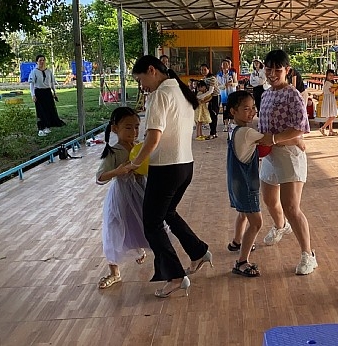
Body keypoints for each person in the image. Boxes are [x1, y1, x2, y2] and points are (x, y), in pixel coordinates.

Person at [129, 55, 210, 298]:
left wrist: (135, 163)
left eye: (140, 80)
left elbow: (153, 137)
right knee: (168, 213)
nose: (142, 86)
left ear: (151, 70)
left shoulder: (160, 95)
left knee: (152, 223)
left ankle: (175, 276)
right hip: (185, 166)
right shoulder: (180, 91)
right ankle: (198, 251)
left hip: (166, 167)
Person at [257, 49, 317, 275]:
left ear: (287, 70)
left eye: (277, 69)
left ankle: (308, 255)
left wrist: (274, 139)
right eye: (268, 69)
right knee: (269, 200)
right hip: (270, 155)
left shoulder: (293, 95)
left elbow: (300, 127)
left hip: (289, 155)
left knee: (291, 207)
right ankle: (280, 226)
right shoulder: (265, 94)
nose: (272, 74)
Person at [95, 107, 150, 289]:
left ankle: (143, 251)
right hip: (121, 195)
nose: (133, 132)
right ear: (115, 129)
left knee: (142, 222)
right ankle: (114, 272)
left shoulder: (140, 147)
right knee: (114, 227)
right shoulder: (114, 152)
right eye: (128, 127)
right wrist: (118, 171)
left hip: (141, 191)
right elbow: (100, 177)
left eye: (136, 127)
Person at [225, 90, 265, 277]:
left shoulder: (233, 128)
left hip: (236, 183)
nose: (252, 112)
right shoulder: (247, 132)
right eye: (246, 109)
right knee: (256, 222)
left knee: (243, 213)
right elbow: (271, 140)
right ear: (233, 111)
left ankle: (236, 242)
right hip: (246, 184)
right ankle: (241, 262)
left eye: (253, 108)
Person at [28, 54, 65, 137]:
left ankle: (48, 125)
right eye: (40, 60)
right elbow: (32, 84)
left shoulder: (48, 71)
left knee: (49, 109)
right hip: (39, 92)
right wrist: (33, 95)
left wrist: (54, 92)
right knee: (41, 110)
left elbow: (52, 82)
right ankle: (41, 128)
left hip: (47, 92)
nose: (42, 62)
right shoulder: (34, 72)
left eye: (43, 60)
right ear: (37, 62)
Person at [217, 59, 238, 134]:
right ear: (221, 66)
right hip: (223, 94)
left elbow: (236, 83)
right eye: (223, 64)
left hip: (231, 93)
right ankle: (225, 125)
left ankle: (231, 124)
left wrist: (232, 84)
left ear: (229, 66)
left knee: (232, 108)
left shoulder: (232, 73)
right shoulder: (219, 75)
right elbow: (218, 85)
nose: (225, 66)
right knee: (225, 109)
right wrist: (225, 85)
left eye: (226, 64)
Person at [200, 64, 220, 140]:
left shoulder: (212, 78)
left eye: (205, 69)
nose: (203, 71)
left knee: (214, 115)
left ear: (208, 69)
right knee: (210, 115)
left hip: (215, 97)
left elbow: (211, 91)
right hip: (209, 98)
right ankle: (214, 132)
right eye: (202, 70)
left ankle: (213, 133)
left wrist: (200, 97)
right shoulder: (204, 79)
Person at [318, 69, 338, 136]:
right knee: (333, 116)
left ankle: (330, 130)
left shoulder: (330, 83)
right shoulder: (328, 83)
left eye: (332, 75)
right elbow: (331, 90)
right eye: (330, 75)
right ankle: (323, 127)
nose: (331, 77)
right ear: (327, 76)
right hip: (329, 99)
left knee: (331, 115)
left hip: (330, 99)